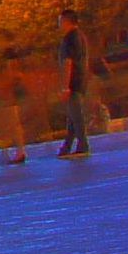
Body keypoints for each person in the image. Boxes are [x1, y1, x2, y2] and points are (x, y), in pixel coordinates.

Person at [55, 23, 91, 160]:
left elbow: (68, 62)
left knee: (76, 115)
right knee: (72, 116)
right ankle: (67, 145)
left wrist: (65, 86)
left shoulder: (69, 39)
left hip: (73, 82)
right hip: (80, 81)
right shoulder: (80, 37)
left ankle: (83, 144)